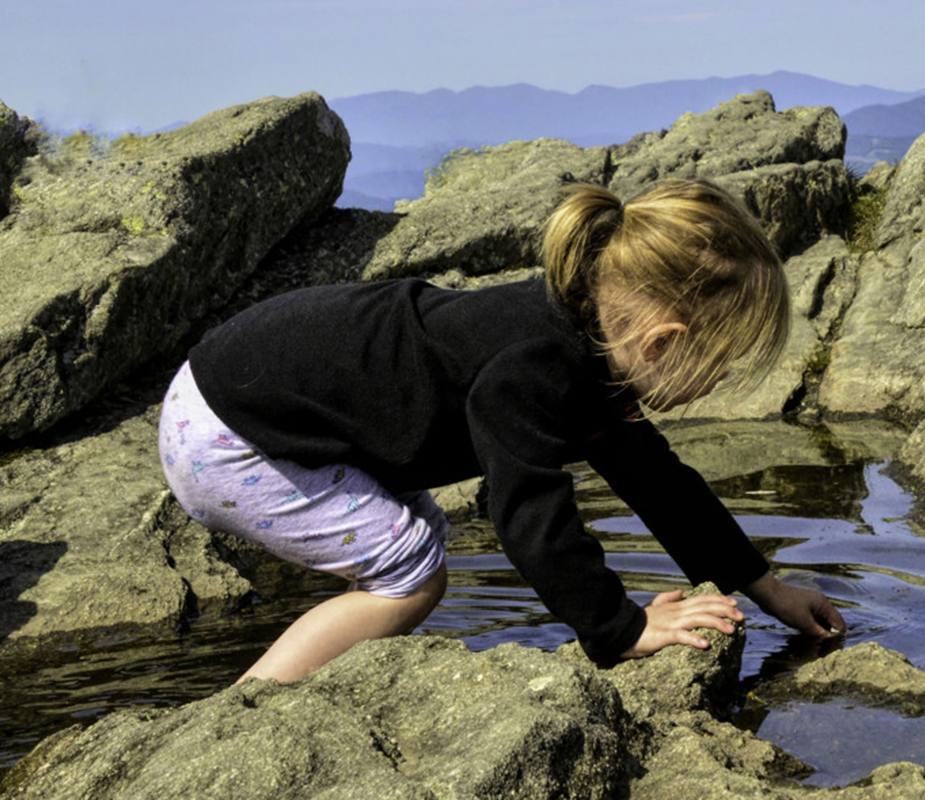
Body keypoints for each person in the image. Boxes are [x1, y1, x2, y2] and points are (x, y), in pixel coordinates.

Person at [158, 178, 846, 683]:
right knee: (411, 574)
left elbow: (660, 484)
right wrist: (622, 629)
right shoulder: (533, 369)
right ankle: (254, 704)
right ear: (664, 343)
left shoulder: (587, 334)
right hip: (231, 434)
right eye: (719, 367)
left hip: (250, 400)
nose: (719, 384)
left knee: (416, 540)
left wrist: (766, 587)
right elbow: (530, 519)